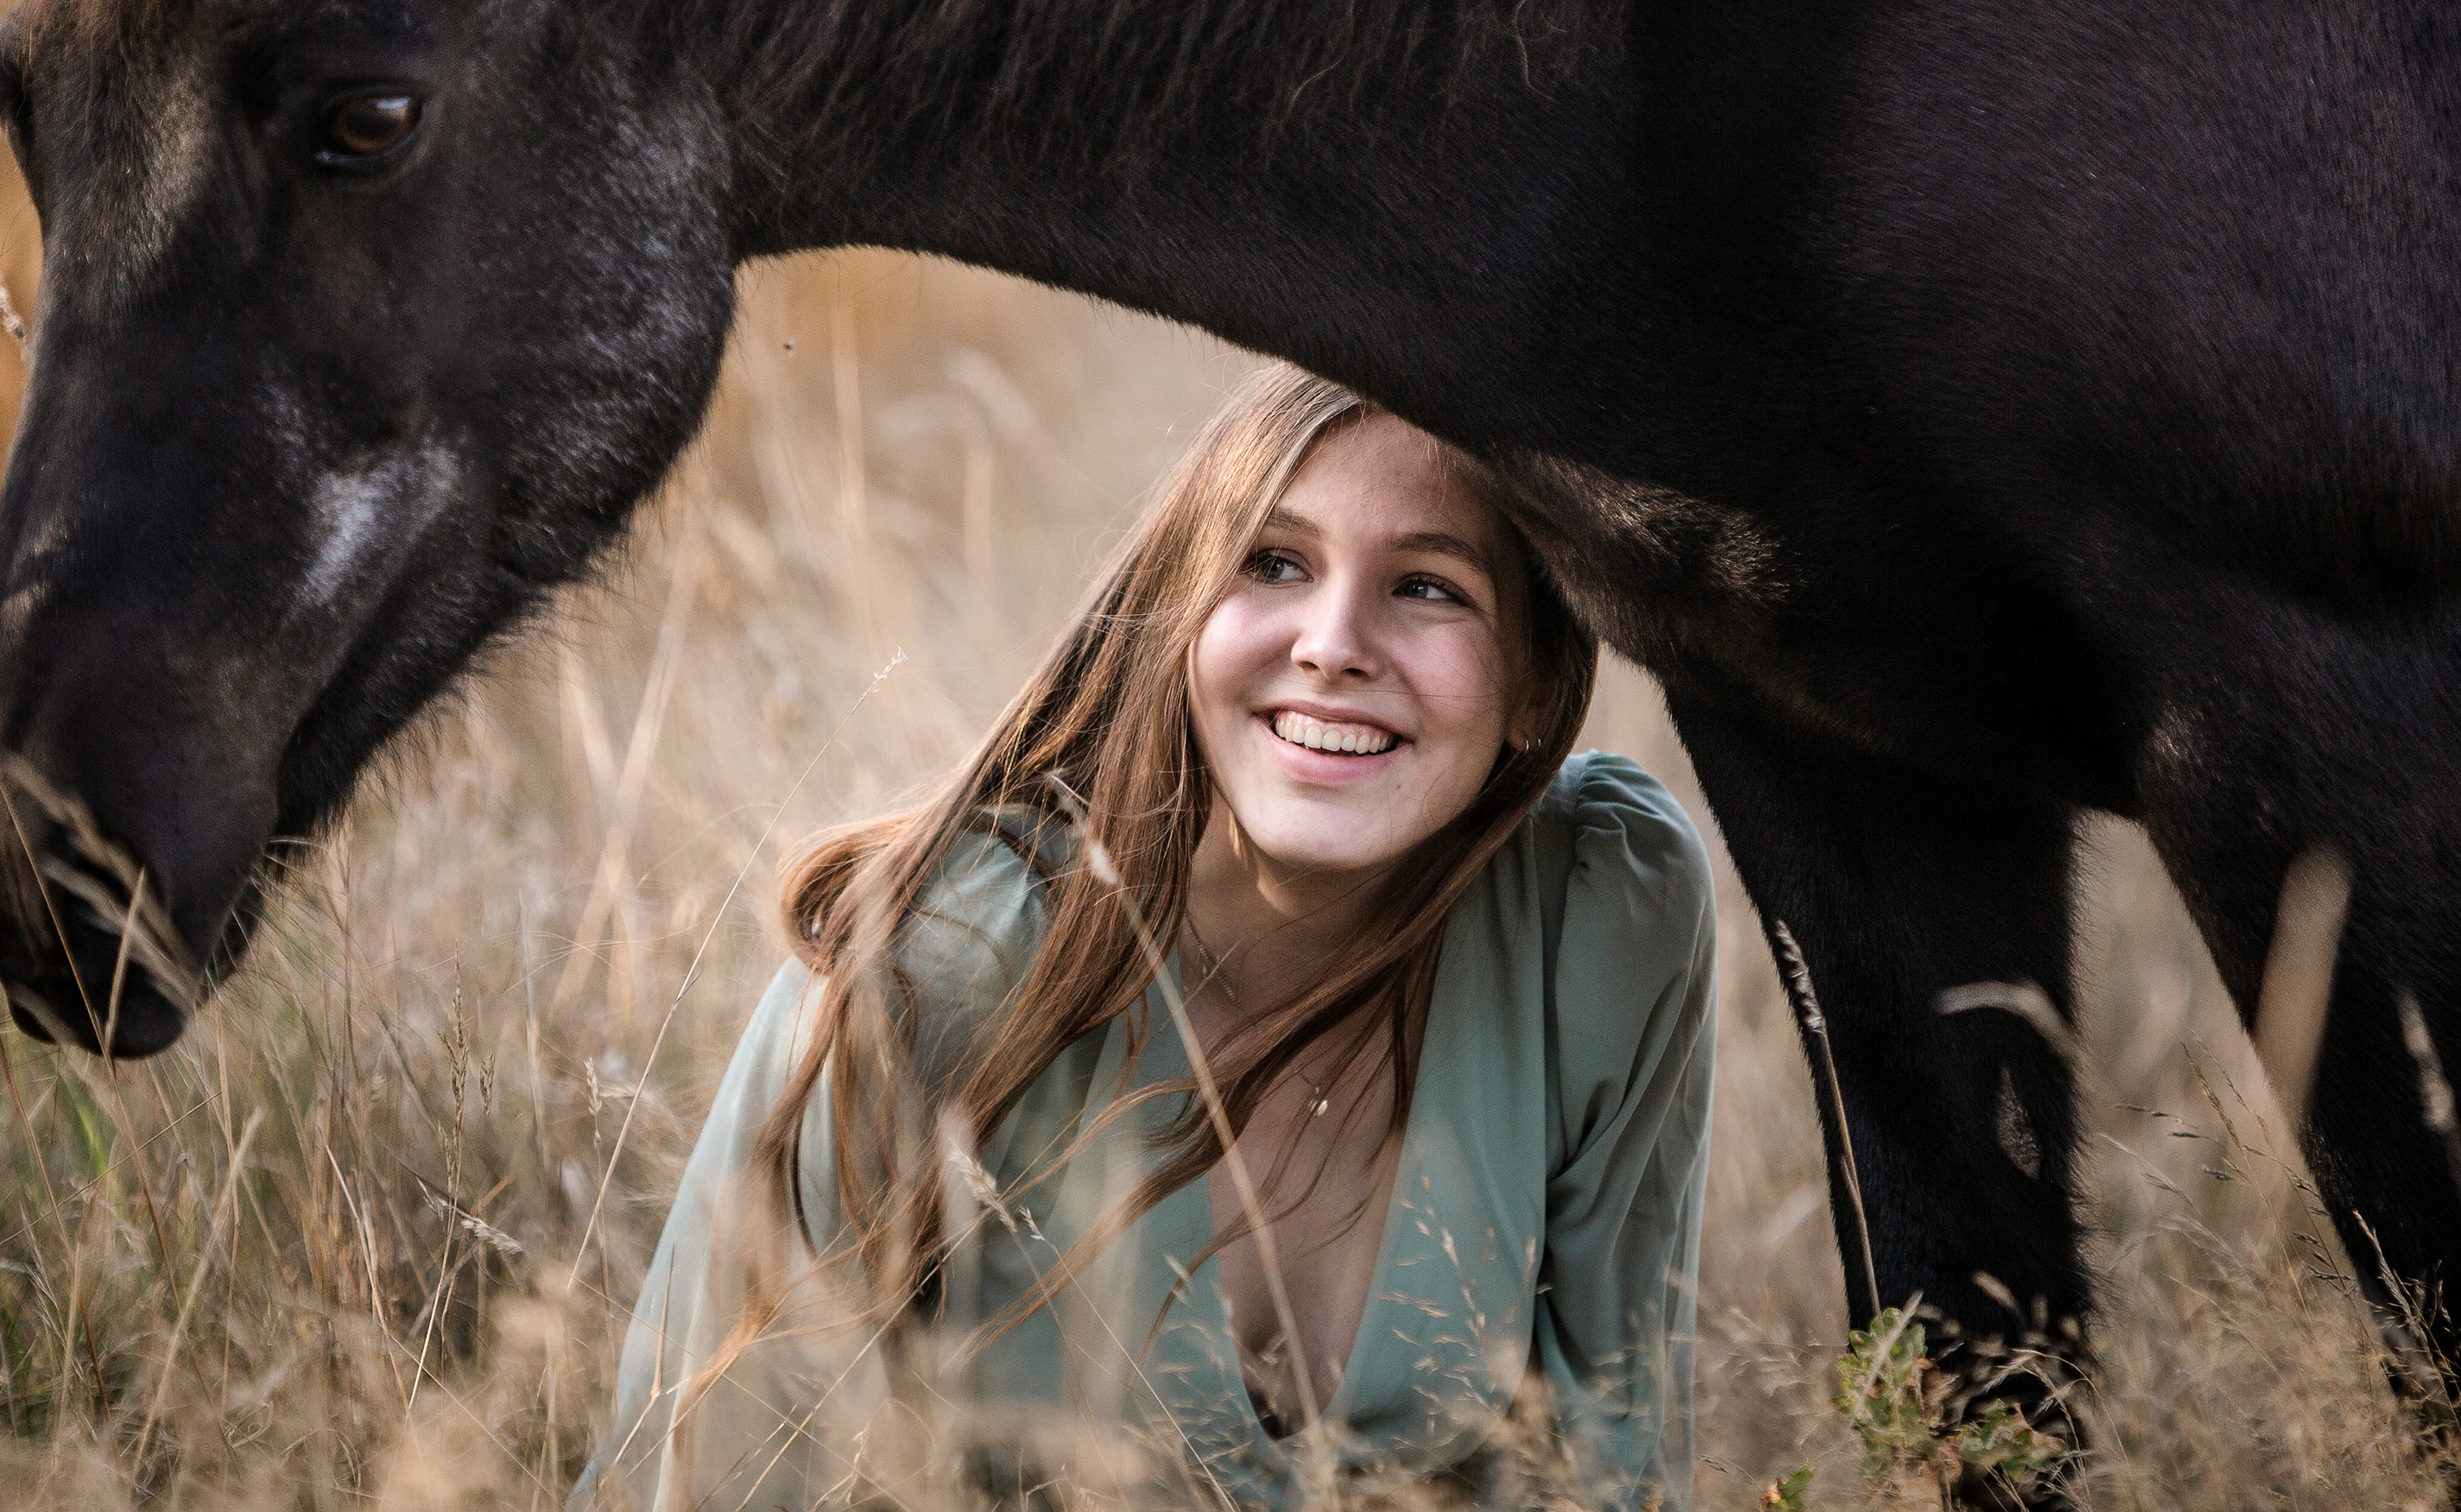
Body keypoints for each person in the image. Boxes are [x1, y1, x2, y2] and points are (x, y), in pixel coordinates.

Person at [579, 366, 1716, 1510]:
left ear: (1538, 683)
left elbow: (1609, 1464)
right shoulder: (947, 964)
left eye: (1428, 586)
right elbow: (722, 1471)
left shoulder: (1597, 914)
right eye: (1273, 563)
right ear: (1185, 614)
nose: (1333, 645)